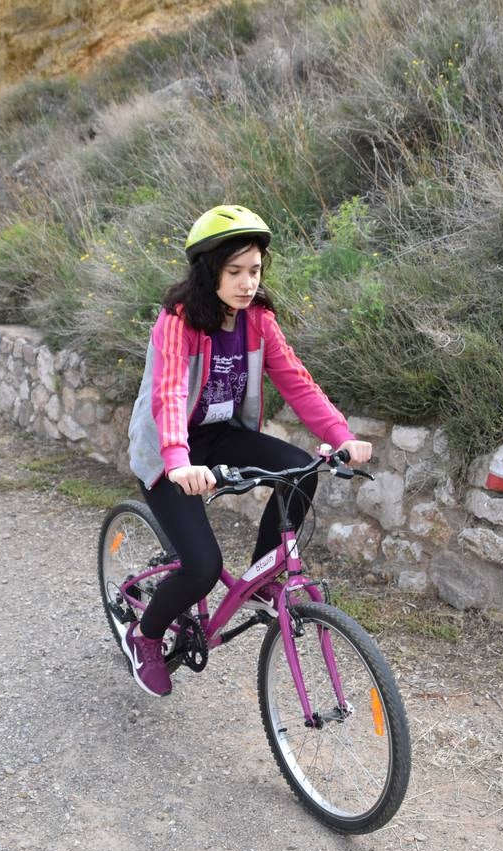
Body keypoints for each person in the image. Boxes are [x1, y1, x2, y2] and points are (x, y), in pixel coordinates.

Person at [121, 205, 373, 698]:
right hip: (168, 451)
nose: (246, 282)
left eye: (254, 270)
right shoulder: (177, 322)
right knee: (202, 567)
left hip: (219, 436)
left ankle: (261, 575)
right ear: (208, 270)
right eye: (234, 271)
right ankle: (146, 636)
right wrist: (178, 461)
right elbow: (169, 393)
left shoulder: (257, 320)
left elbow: (297, 384)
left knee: (301, 471)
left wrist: (340, 435)